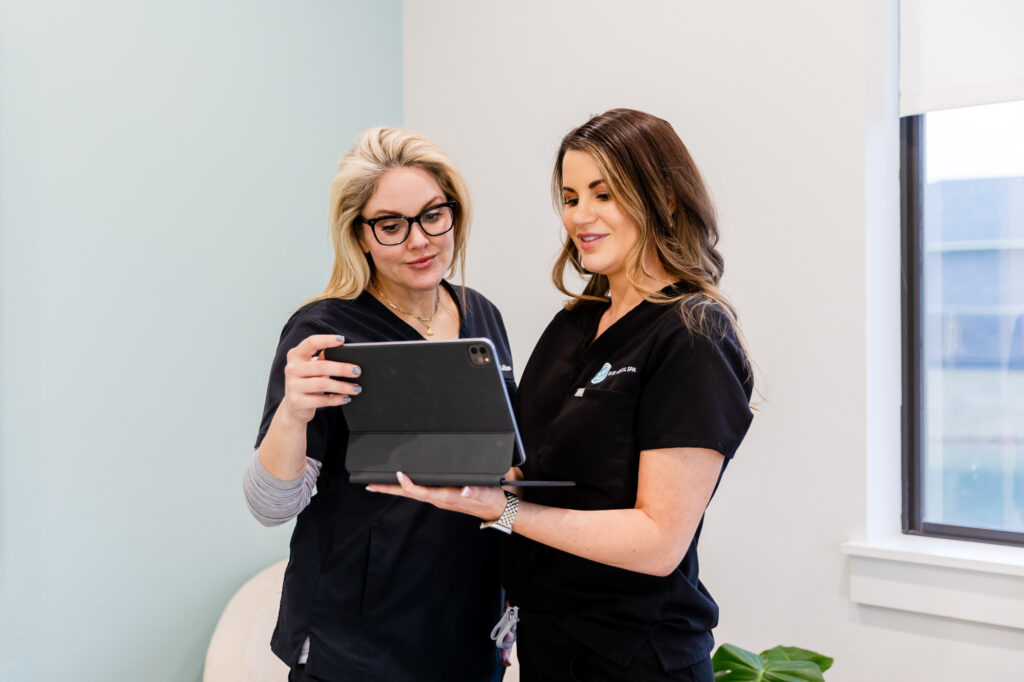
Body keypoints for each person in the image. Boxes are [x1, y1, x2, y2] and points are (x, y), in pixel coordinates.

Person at [368, 108, 754, 682]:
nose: (581, 216)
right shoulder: (574, 324)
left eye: (605, 194)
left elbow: (657, 542)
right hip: (549, 644)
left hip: (635, 656)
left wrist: (504, 510)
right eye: (571, 197)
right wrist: (456, 469)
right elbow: (536, 469)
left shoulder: (692, 335)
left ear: (666, 199)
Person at [243, 127, 512, 682]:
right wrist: (293, 413)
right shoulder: (326, 330)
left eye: (433, 215)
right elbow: (270, 506)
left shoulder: (481, 316)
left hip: (467, 632)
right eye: (391, 226)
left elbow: (503, 465)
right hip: (357, 642)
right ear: (359, 236)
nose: (420, 240)